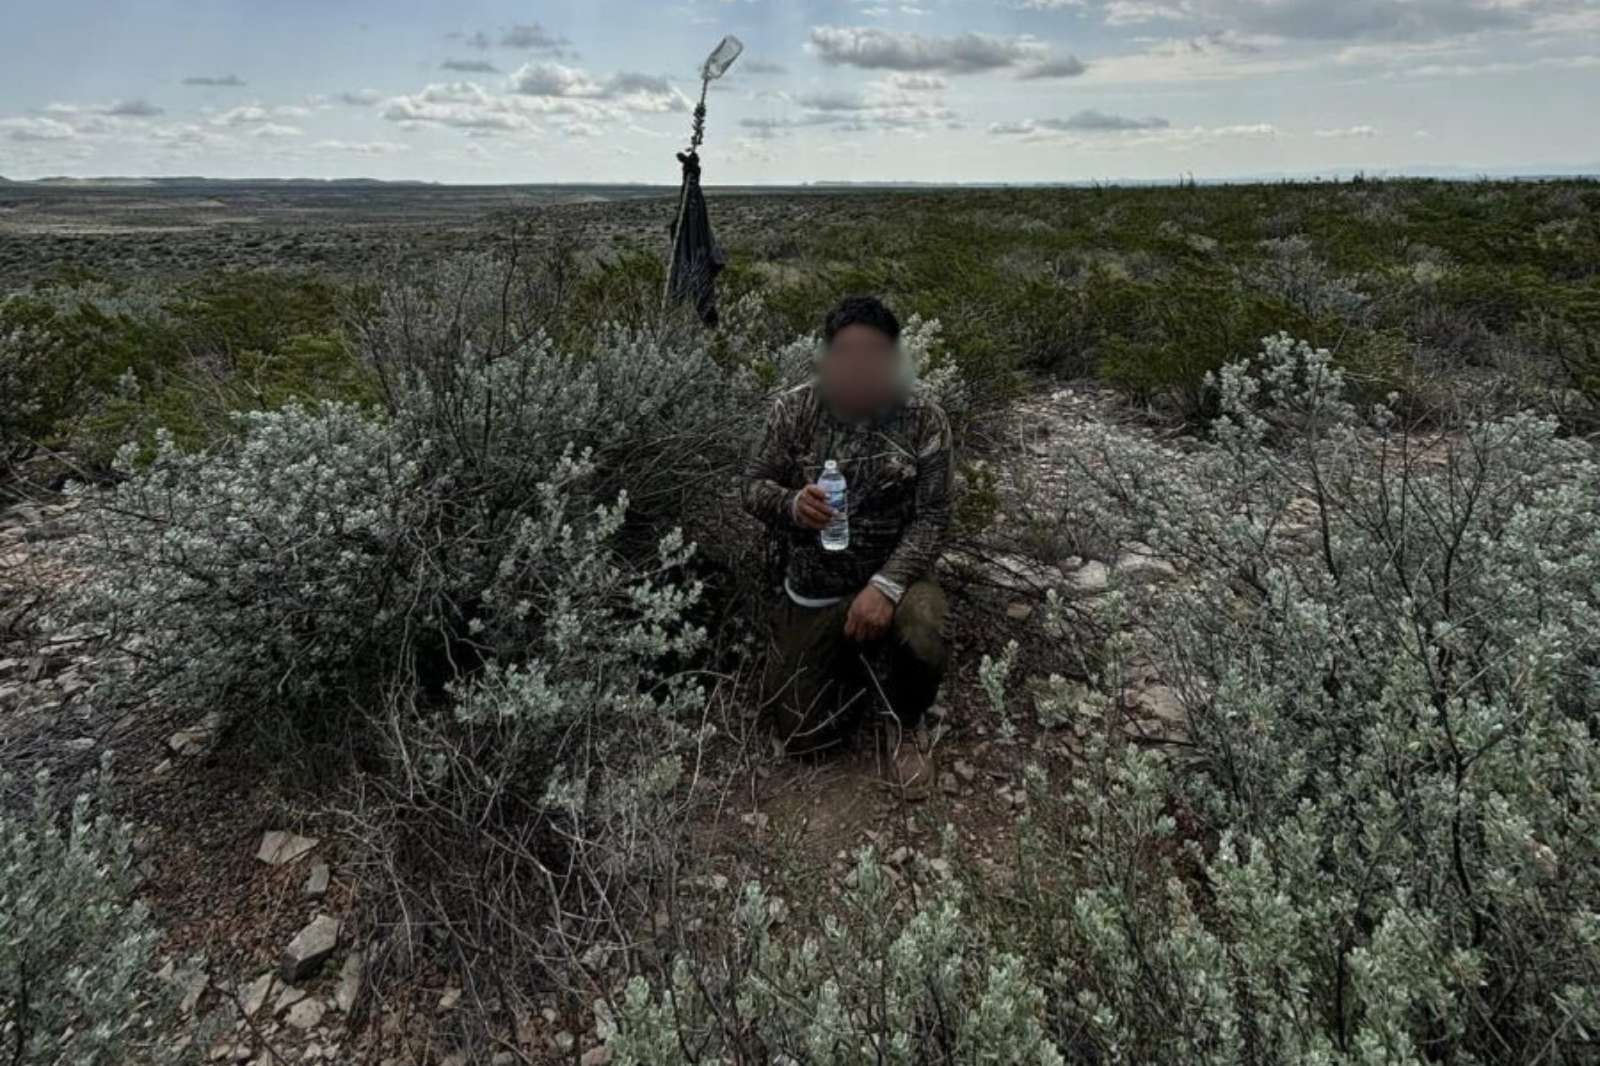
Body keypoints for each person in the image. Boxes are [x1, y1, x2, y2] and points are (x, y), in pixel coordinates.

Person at [741, 296, 952, 793]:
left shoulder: (924, 417)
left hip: (896, 580)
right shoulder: (794, 408)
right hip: (815, 587)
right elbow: (751, 484)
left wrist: (886, 584)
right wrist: (791, 504)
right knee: (803, 738)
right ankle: (857, 669)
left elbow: (934, 515)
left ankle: (904, 720)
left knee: (924, 628)